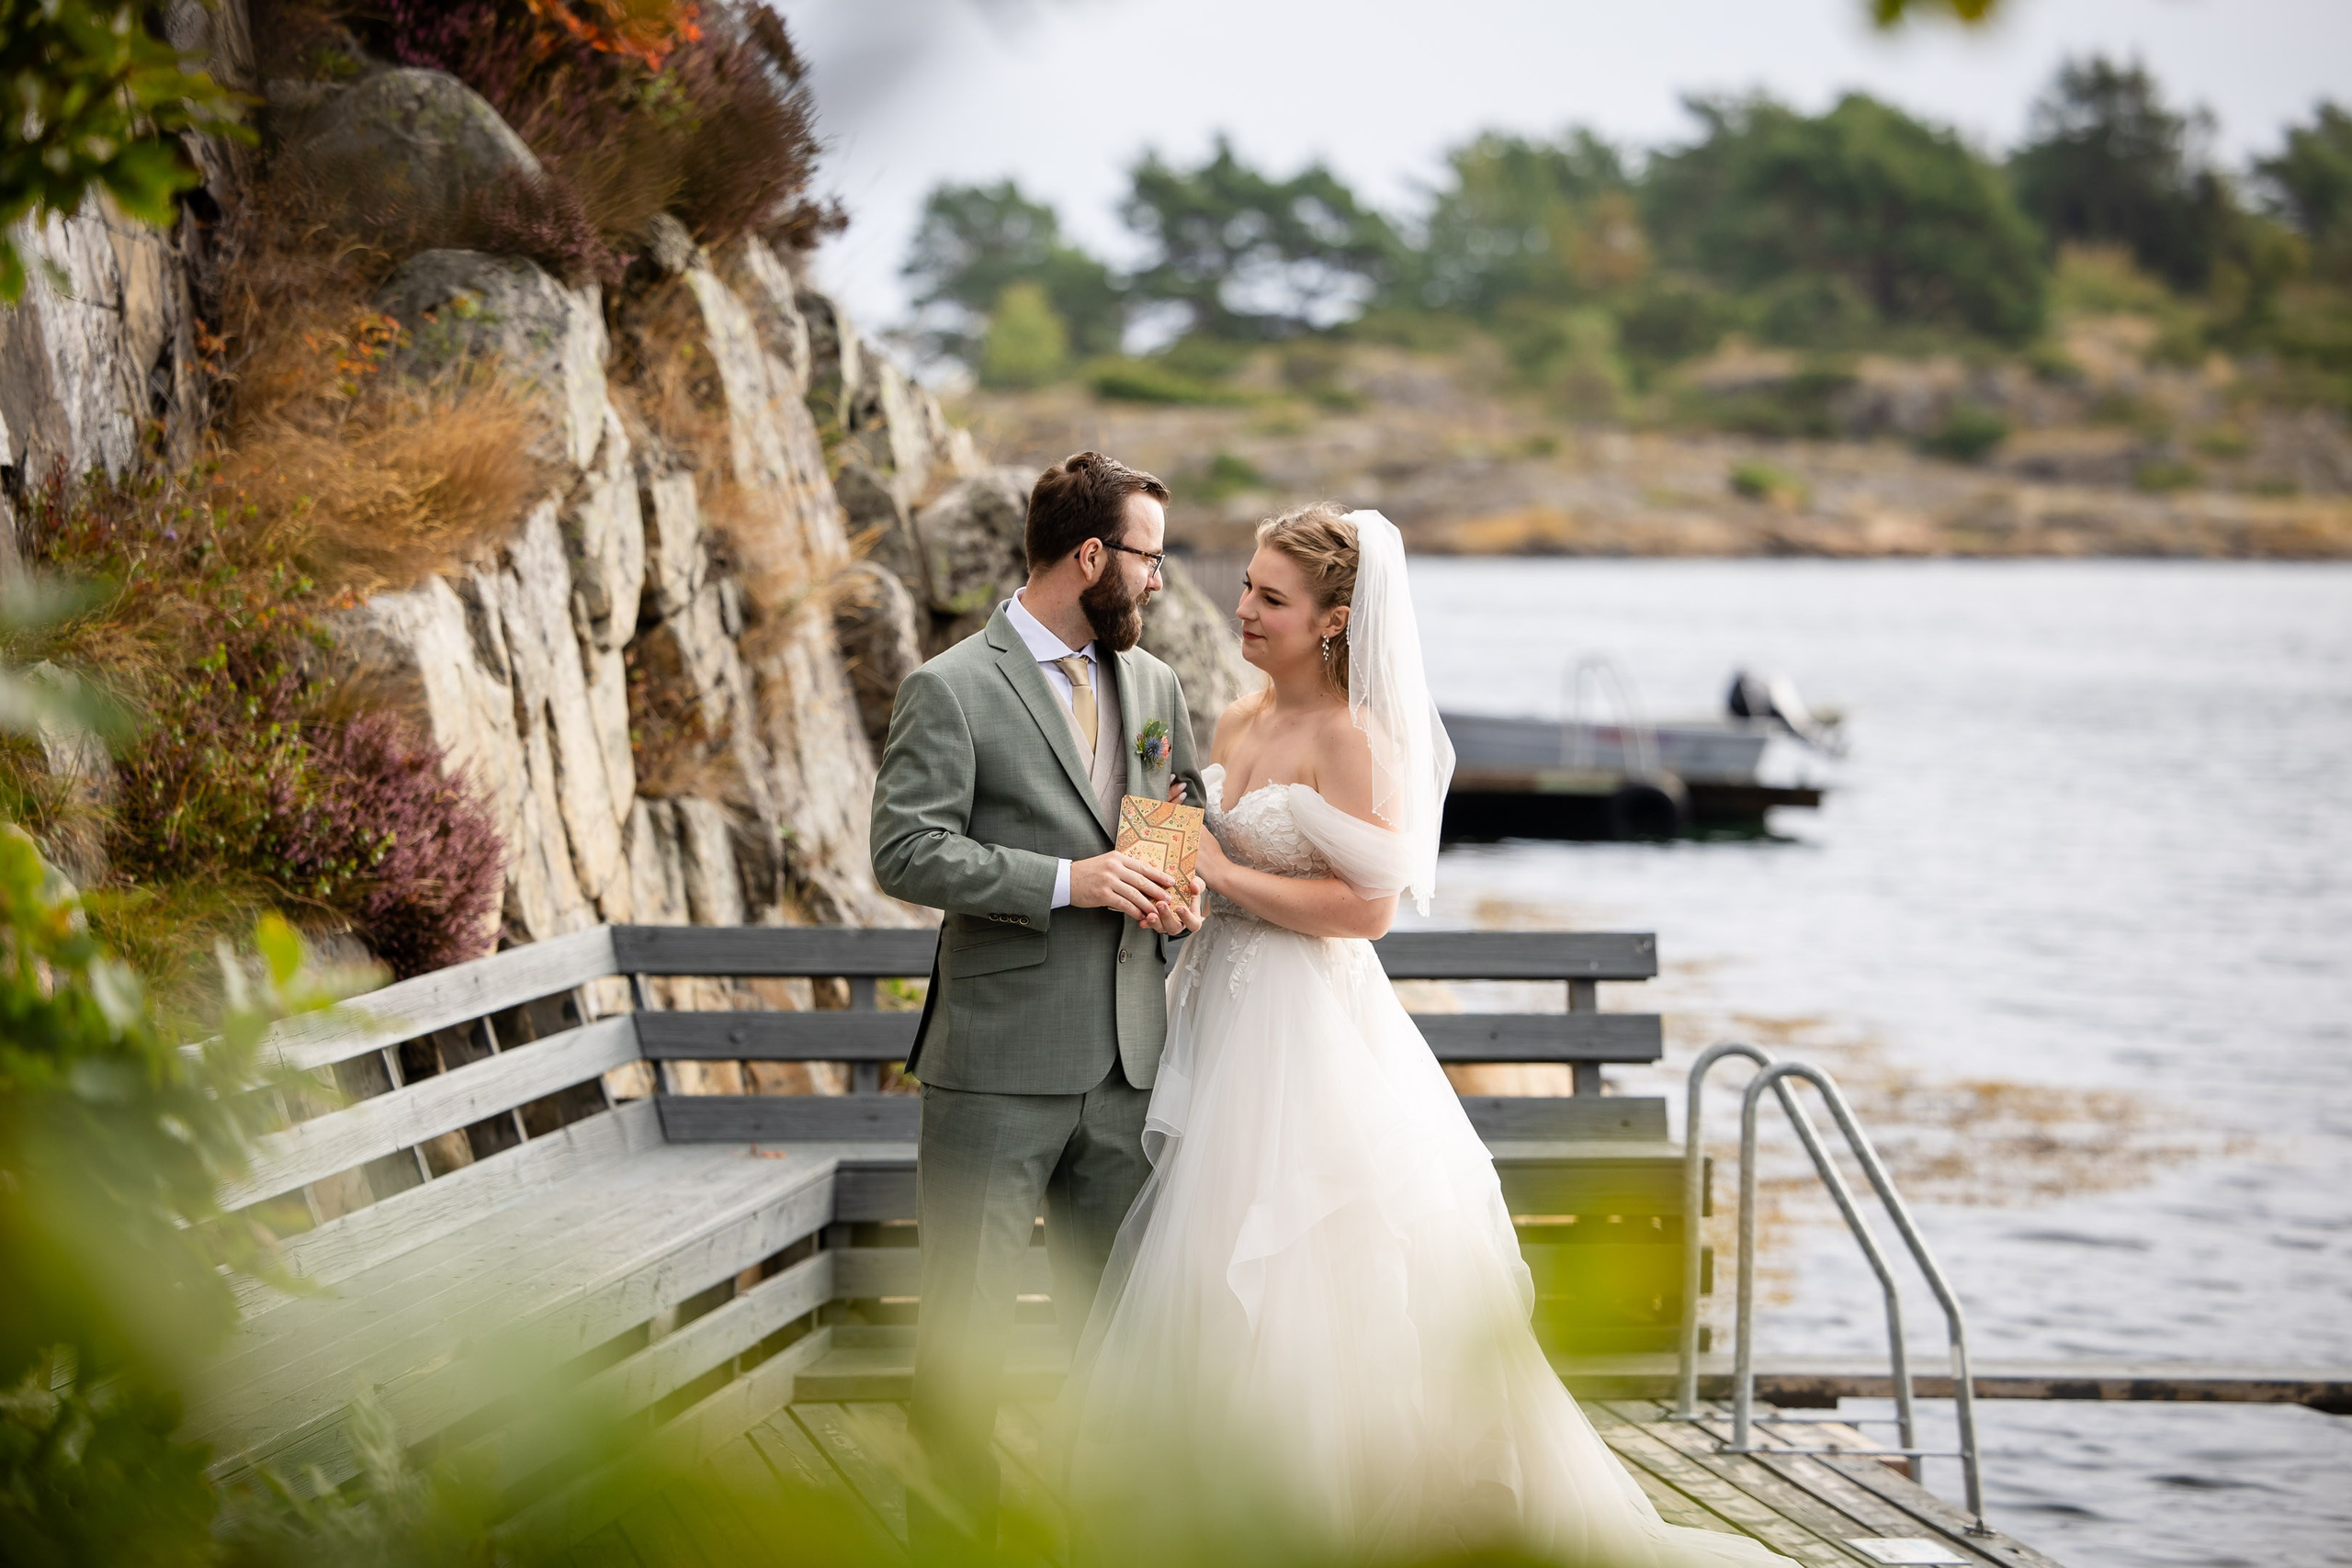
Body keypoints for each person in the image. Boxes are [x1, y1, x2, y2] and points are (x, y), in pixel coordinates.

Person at [1064, 503, 1793, 1566]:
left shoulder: (1353, 740)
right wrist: (1175, 881)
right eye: (1248, 587)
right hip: (1213, 1009)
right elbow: (1206, 866)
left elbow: (1365, 913)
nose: (1243, 608)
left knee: (1300, 1246)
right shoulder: (1233, 723)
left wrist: (1220, 873)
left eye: (1271, 596)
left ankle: (1334, 1510)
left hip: (1302, 1025)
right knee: (1205, 1250)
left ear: (1333, 619)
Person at [868, 451, 1208, 1552]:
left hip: (1129, 1069)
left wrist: (1173, 894)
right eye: (1148, 557)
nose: (1158, 579)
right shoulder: (951, 686)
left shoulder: (1153, 687)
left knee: (1115, 1335)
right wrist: (1069, 881)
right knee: (964, 1337)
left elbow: (1171, 816)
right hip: (996, 1069)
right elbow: (905, 851)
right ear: (1093, 556)